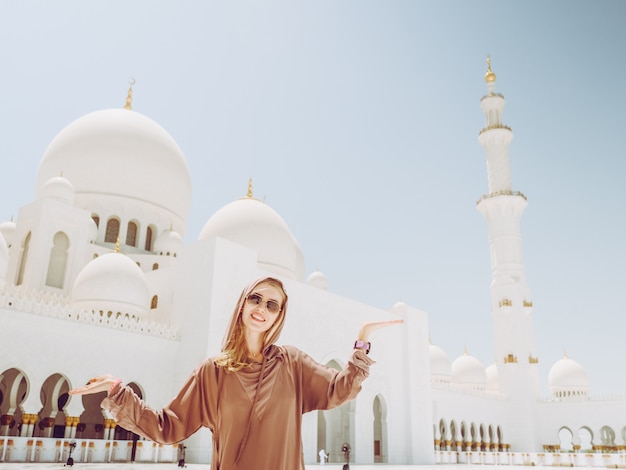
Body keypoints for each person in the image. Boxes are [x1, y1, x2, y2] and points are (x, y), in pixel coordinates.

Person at [69, 276, 403, 469]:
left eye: (272, 305)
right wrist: (117, 391)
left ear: (278, 316)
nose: (262, 309)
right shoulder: (213, 373)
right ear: (242, 304)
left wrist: (361, 343)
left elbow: (338, 389)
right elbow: (167, 425)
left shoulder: (292, 364)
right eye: (256, 299)